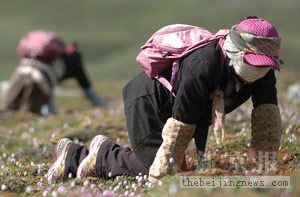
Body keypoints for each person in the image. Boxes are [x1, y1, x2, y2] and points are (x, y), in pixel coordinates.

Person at [46, 17, 282, 183]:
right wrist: (164, 172)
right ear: (236, 52)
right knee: (158, 171)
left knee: (173, 166)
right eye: (253, 63)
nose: (258, 71)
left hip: (174, 108)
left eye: (263, 66)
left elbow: (266, 118)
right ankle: (97, 154)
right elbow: (181, 125)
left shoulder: (263, 70)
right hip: (148, 101)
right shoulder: (205, 64)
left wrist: (267, 167)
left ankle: (86, 153)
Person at [0, 31, 106, 115]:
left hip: (20, 71)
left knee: (6, 108)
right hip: (38, 80)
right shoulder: (75, 63)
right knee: (29, 115)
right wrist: (105, 108)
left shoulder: (54, 53)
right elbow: (90, 93)